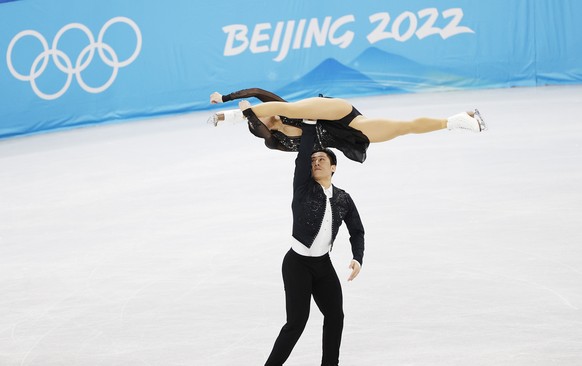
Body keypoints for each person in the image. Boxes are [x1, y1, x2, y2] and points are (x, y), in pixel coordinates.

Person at [263, 118, 365, 366]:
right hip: (297, 265)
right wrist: (309, 125)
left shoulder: (343, 199)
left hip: (323, 266)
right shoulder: (303, 188)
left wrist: (357, 257)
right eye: (313, 160)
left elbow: (357, 230)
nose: (316, 162)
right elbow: (302, 156)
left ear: (334, 167)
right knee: (296, 323)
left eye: (322, 160)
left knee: (335, 316)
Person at [209, 88, 486, 163]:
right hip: (343, 134)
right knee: (401, 130)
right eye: (264, 122)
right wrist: (250, 119)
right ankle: (460, 118)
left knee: (288, 107)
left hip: (334, 112)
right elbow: (260, 126)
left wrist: (227, 105)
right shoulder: (277, 142)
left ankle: (453, 121)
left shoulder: (282, 111)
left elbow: (258, 93)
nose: (270, 119)